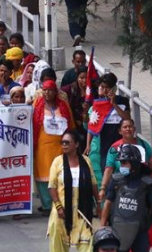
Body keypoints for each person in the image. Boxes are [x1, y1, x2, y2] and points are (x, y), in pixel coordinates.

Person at [100, 144, 152, 252]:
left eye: (124, 163)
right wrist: (102, 227)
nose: (122, 166)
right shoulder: (116, 180)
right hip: (118, 229)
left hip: (140, 233)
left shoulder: (147, 183)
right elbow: (108, 203)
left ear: (134, 163)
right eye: (121, 163)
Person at [47, 131, 97, 252]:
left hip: (83, 209)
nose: (64, 145)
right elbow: (52, 186)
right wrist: (58, 207)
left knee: (87, 242)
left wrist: (99, 205)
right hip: (62, 209)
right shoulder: (57, 162)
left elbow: (93, 183)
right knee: (58, 244)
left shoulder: (86, 161)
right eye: (62, 142)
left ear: (76, 144)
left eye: (67, 142)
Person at [34, 79, 75, 213]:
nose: (47, 93)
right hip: (42, 146)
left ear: (55, 91)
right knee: (43, 175)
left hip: (60, 146)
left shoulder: (63, 106)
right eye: (44, 90)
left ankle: (60, 202)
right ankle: (47, 205)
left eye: (50, 90)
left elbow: (71, 125)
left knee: (60, 174)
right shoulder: (37, 105)